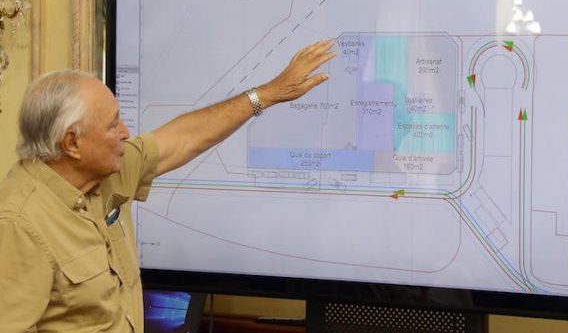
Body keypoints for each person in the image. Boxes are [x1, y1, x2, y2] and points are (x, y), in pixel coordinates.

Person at [0, 39, 336, 333]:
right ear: (72, 143)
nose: (125, 133)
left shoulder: (104, 170)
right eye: (112, 124)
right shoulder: (19, 224)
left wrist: (268, 94)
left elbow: (185, 137)